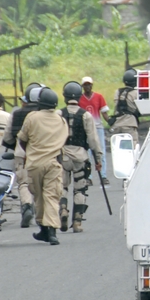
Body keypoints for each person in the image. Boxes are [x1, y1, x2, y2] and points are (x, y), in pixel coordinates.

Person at [18, 87, 68, 245]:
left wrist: (31, 152)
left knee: (38, 197)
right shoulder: (61, 120)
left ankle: (43, 228)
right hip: (54, 163)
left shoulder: (32, 117)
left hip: (35, 164)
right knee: (52, 196)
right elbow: (63, 141)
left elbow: (22, 139)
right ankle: (52, 232)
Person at [59, 81, 103, 233]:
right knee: (79, 189)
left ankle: (63, 210)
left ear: (64, 97)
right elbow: (93, 140)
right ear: (79, 96)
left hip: (62, 155)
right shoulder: (86, 115)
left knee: (62, 187)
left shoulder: (59, 114)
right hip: (80, 156)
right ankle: (77, 222)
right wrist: (98, 159)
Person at [1, 82, 42, 228]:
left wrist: (15, 145)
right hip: (40, 153)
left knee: (24, 183)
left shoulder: (17, 113)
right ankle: (40, 214)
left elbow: (7, 137)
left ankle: (26, 206)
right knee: (40, 183)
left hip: (21, 152)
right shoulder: (44, 114)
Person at [78, 76, 109, 185]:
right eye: (85, 85)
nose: (87, 86)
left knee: (101, 152)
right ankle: (88, 176)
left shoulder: (99, 97)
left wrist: (110, 121)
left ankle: (103, 175)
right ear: (82, 86)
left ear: (92, 85)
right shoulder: (80, 99)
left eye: (89, 84)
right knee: (87, 154)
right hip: (85, 128)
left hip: (98, 127)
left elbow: (104, 113)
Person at [109, 69, 142, 148]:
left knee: (118, 148)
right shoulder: (136, 93)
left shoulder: (117, 92)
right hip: (130, 124)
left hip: (117, 124)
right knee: (132, 147)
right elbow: (139, 109)